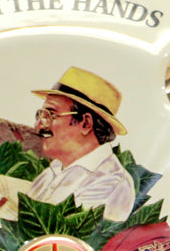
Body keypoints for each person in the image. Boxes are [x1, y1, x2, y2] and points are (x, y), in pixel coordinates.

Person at [27, 67, 135, 221]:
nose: (38, 126)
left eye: (51, 115)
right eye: (40, 115)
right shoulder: (54, 170)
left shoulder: (110, 183)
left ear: (85, 123)